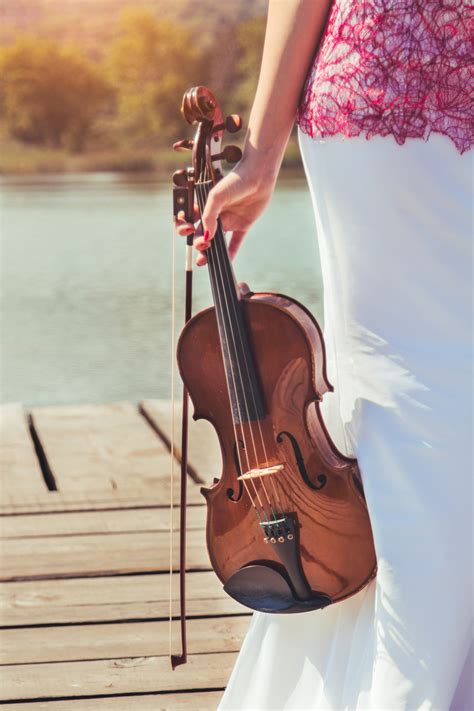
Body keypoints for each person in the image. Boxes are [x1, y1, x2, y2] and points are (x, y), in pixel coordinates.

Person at [176, 1, 473, 708]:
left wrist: (265, 152)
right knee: (420, 406)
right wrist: (263, 150)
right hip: (395, 89)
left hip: (388, 86)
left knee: (416, 406)